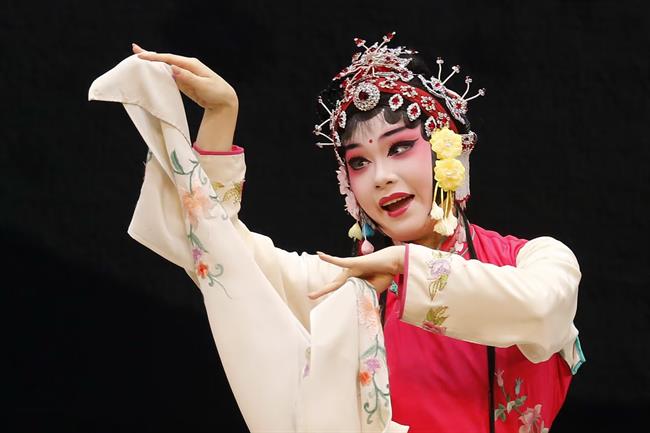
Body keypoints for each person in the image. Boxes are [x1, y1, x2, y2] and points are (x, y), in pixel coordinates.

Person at [95, 33, 584, 433]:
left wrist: (402, 266)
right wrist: (221, 117)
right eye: (359, 162)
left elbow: (542, 309)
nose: (381, 177)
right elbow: (218, 251)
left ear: (447, 150)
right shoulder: (343, 289)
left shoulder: (537, 260)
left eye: (399, 148)